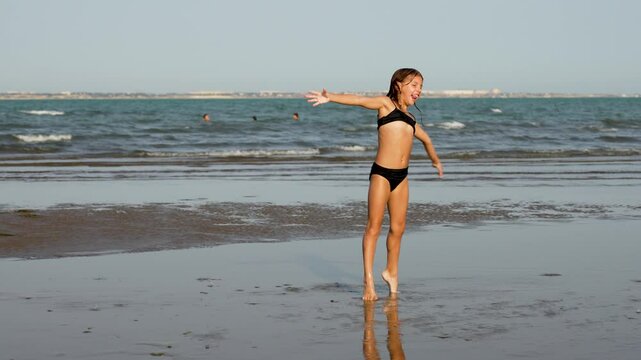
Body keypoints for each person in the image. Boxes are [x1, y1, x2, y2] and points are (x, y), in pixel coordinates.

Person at [306, 68, 443, 301]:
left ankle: (391, 272)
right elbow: (359, 100)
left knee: (398, 229)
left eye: (420, 86)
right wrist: (331, 97)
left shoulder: (410, 119)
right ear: (399, 84)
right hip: (381, 175)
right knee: (373, 227)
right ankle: (368, 282)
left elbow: (427, 139)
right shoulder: (384, 105)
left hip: (402, 177)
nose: (418, 90)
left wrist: (435, 160)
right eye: (414, 84)